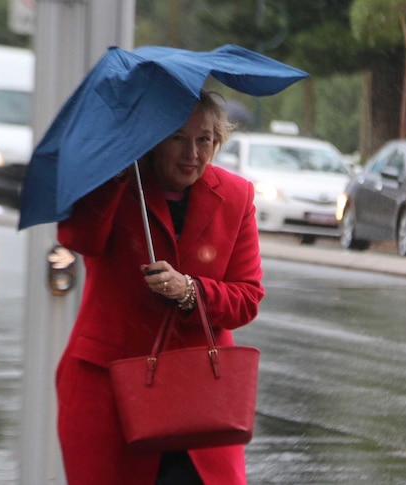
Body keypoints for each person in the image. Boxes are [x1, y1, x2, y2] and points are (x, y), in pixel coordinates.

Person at [55, 90, 265, 485]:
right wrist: (113, 174)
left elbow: (247, 298)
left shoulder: (237, 196)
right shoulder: (117, 182)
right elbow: (78, 238)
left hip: (199, 395)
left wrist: (190, 290)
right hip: (108, 389)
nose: (193, 154)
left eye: (204, 139)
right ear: (152, 139)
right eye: (177, 138)